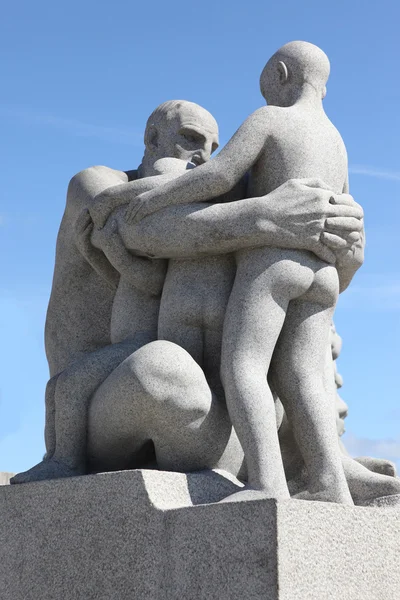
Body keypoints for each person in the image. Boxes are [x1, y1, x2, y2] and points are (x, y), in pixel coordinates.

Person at [11, 99, 364, 484]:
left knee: (292, 330)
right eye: (190, 138)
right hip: (106, 406)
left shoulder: (214, 201)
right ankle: (63, 459)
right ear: (152, 138)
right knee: (157, 368)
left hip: (202, 407)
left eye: (214, 148)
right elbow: (143, 230)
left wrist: (341, 240)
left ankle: (329, 463)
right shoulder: (98, 183)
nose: (203, 157)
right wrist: (270, 215)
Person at [122, 42, 357, 504]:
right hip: (323, 274)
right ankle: (332, 484)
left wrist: (152, 199)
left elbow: (220, 176)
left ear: (280, 73)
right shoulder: (338, 142)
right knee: (305, 376)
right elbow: (344, 208)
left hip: (274, 265)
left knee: (244, 367)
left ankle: (267, 483)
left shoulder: (270, 118)